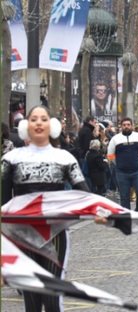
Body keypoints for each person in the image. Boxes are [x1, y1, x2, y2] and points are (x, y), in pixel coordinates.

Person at [1, 105, 90, 312]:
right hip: (23, 232)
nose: (39, 123)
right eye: (33, 119)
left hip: (54, 232)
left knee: (51, 298)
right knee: (31, 300)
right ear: (25, 127)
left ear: (53, 126)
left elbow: (84, 193)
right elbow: (4, 200)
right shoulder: (10, 160)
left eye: (44, 119)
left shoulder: (64, 158)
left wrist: (99, 211)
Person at [107, 117, 138, 211]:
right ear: (121, 127)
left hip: (137, 171)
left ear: (132, 126)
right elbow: (110, 155)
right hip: (122, 172)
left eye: (128, 125)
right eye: (124, 125)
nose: (126, 127)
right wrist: (119, 164)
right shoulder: (115, 139)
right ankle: (127, 217)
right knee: (124, 197)